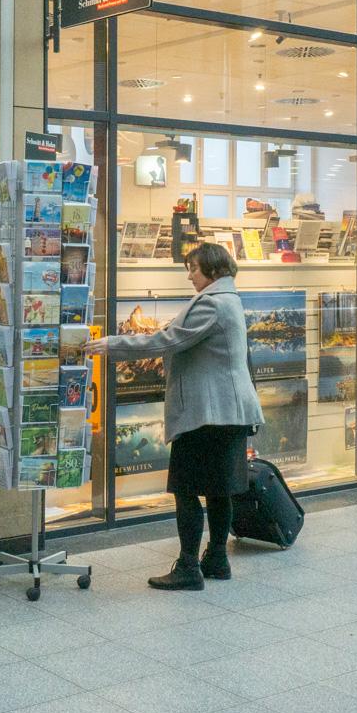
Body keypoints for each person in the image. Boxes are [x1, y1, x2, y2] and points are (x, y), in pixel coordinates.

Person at [85, 243, 262, 590]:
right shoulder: (231, 300)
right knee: (219, 490)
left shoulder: (211, 303)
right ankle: (216, 559)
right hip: (229, 412)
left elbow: (168, 340)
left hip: (207, 414)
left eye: (194, 269)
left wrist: (111, 345)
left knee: (186, 488)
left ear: (212, 270)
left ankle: (188, 568)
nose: (189, 275)